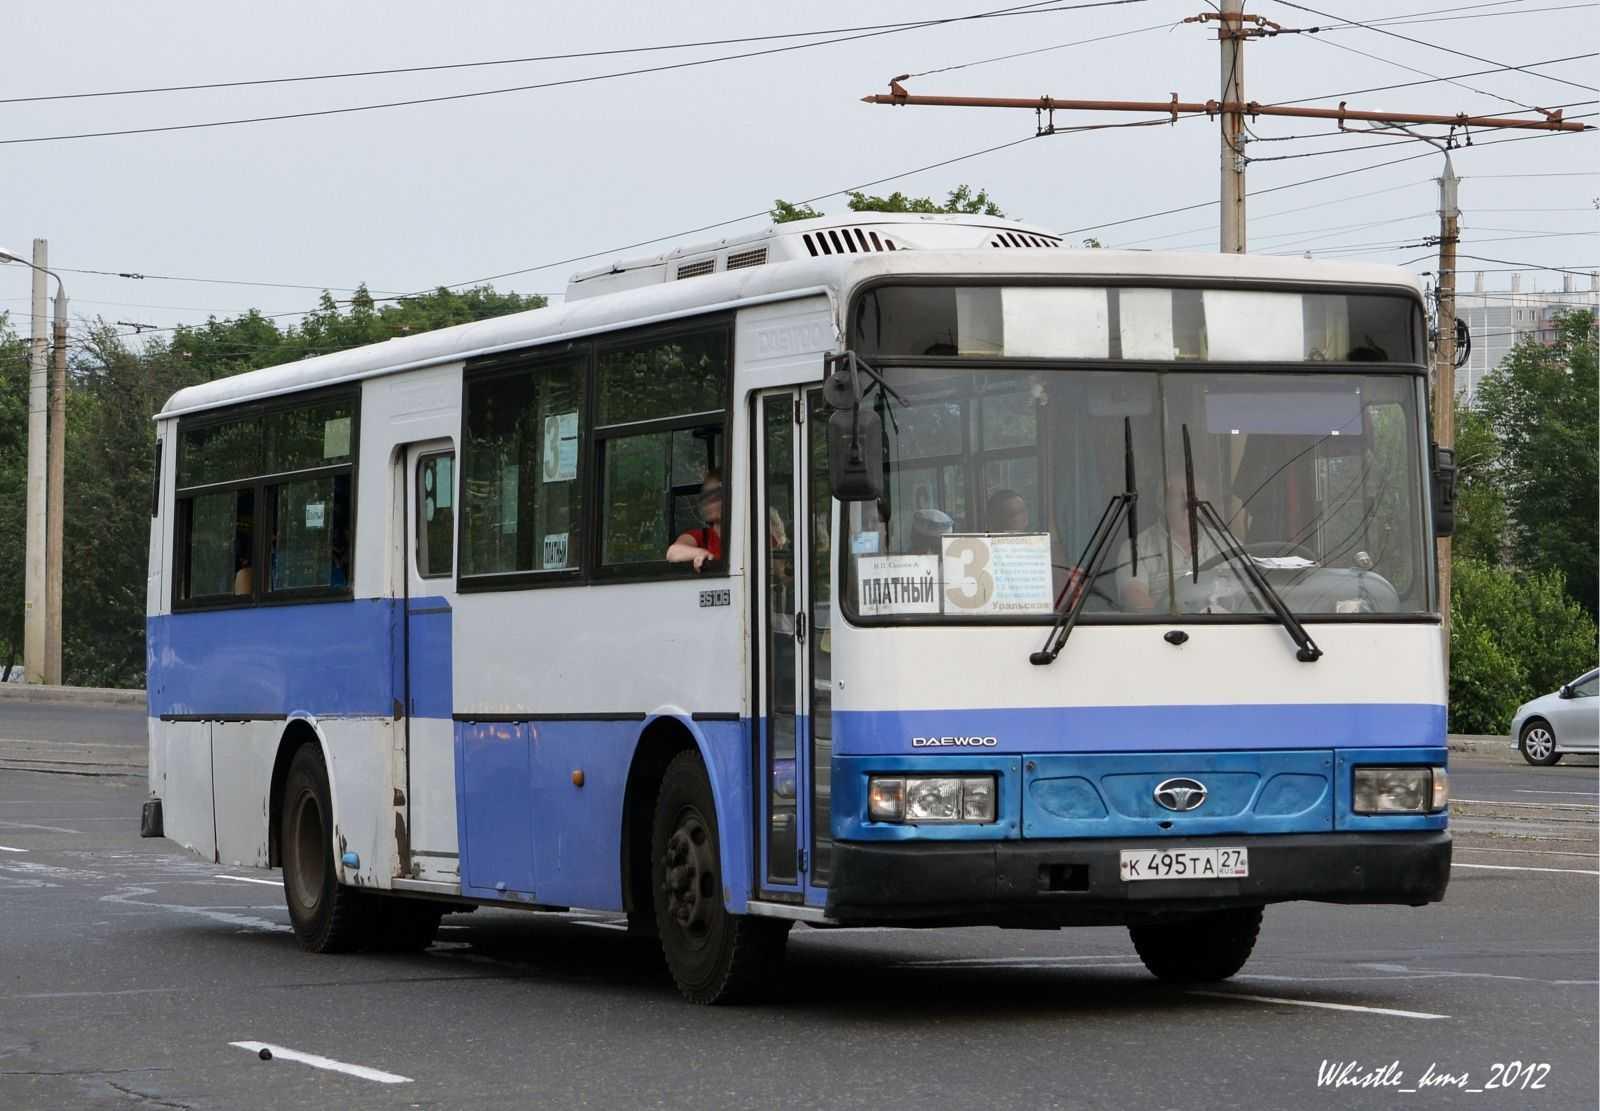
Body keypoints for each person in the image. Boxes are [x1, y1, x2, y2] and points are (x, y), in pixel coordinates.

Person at [1116, 478, 1224, 612]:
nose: (1189, 503)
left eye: (1195, 495)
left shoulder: (1225, 543)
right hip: (1164, 624)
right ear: (1162, 502)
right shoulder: (1136, 548)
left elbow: (1245, 589)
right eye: (1179, 496)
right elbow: (1134, 596)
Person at [667, 470, 724, 572]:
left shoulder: (745, 536)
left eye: (715, 495)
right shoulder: (702, 536)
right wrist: (701, 553)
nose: (708, 501)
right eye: (705, 496)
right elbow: (673, 552)